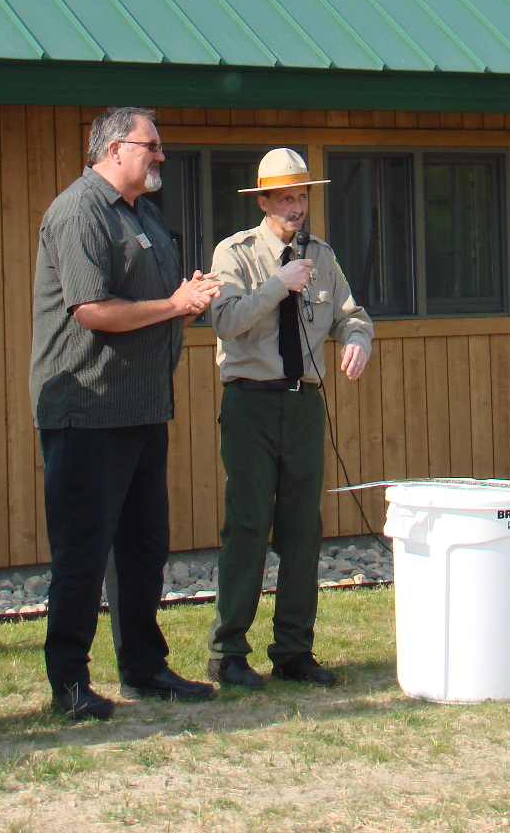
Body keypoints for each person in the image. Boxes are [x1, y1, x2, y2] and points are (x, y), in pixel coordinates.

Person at [30, 106, 222, 720]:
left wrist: (189, 297)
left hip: (141, 407)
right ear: (115, 150)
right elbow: (91, 310)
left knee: (144, 547)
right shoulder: (79, 212)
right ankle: (69, 684)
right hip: (88, 408)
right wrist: (173, 305)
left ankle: (144, 668)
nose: (161, 155)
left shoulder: (144, 214)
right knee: (83, 554)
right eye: (151, 145)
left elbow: (159, 302)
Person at [205, 149, 373, 690]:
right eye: (285, 199)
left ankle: (294, 650)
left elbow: (351, 315)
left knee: (303, 528)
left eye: (302, 197)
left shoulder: (321, 255)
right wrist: (279, 283)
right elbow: (225, 320)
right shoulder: (235, 253)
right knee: (249, 524)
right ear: (263, 202)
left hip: (303, 404)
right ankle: (228, 652)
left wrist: (357, 340)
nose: (296, 208)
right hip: (250, 402)